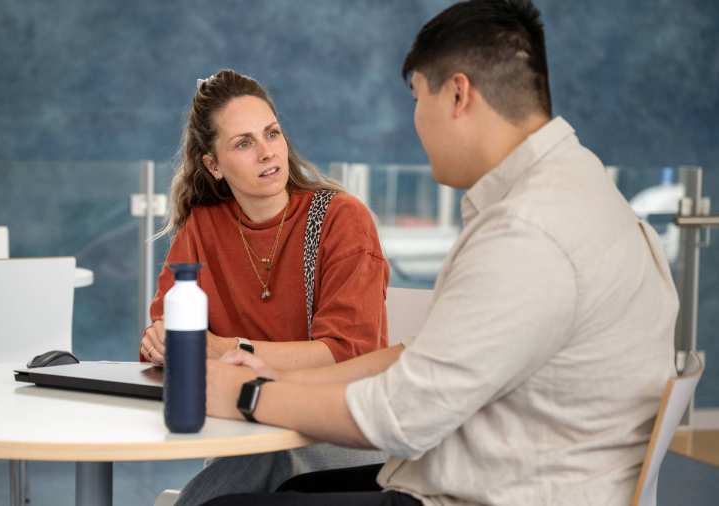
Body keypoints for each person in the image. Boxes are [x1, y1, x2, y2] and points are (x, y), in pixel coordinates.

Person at [203, 1, 679, 505]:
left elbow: (398, 416)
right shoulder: (577, 190)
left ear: (457, 93)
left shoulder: (528, 231)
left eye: (416, 98)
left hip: (493, 494)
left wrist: (246, 396)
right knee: (283, 485)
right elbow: (424, 360)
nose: (416, 122)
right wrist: (282, 373)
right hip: (527, 474)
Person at [140, 69, 391, 504]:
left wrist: (221, 348)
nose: (267, 153)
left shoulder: (339, 219)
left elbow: (348, 352)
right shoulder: (203, 227)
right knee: (249, 463)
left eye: (271, 134)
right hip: (244, 430)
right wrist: (160, 341)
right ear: (213, 165)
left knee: (259, 465)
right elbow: (167, 332)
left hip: (331, 435)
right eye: (244, 143)